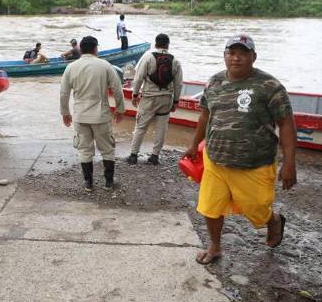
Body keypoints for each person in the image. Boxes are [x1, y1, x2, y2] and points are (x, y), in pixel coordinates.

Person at [183, 35, 296, 265]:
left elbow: (286, 124)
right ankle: (215, 246)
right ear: (224, 56)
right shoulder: (214, 82)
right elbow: (205, 115)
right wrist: (194, 144)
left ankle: (273, 221)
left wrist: (289, 163)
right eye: (231, 53)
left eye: (243, 53)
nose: (236, 58)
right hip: (215, 159)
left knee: (256, 209)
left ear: (254, 57)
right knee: (209, 207)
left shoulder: (270, 86)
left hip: (255, 163)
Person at [60, 36, 125, 191]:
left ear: (81, 49)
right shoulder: (105, 65)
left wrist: (65, 113)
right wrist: (120, 109)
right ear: (96, 48)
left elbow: (64, 93)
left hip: (80, 115)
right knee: (107, 149)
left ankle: (88, 183)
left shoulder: (71, 67)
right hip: (101, 115)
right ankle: (109, 182)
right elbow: (117, 89)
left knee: (84, 149)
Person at [126, 33, 183, 165]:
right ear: (168, 45)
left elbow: (138, 78)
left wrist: (135, 95)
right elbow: (178, 83)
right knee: (161, 128)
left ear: (155, 44)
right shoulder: (175, 60)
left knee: (141, 127)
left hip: (149, 98)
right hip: (166, 98)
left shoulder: (148, 57)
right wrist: (176, 101)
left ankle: (133, 155)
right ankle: (155, 156)